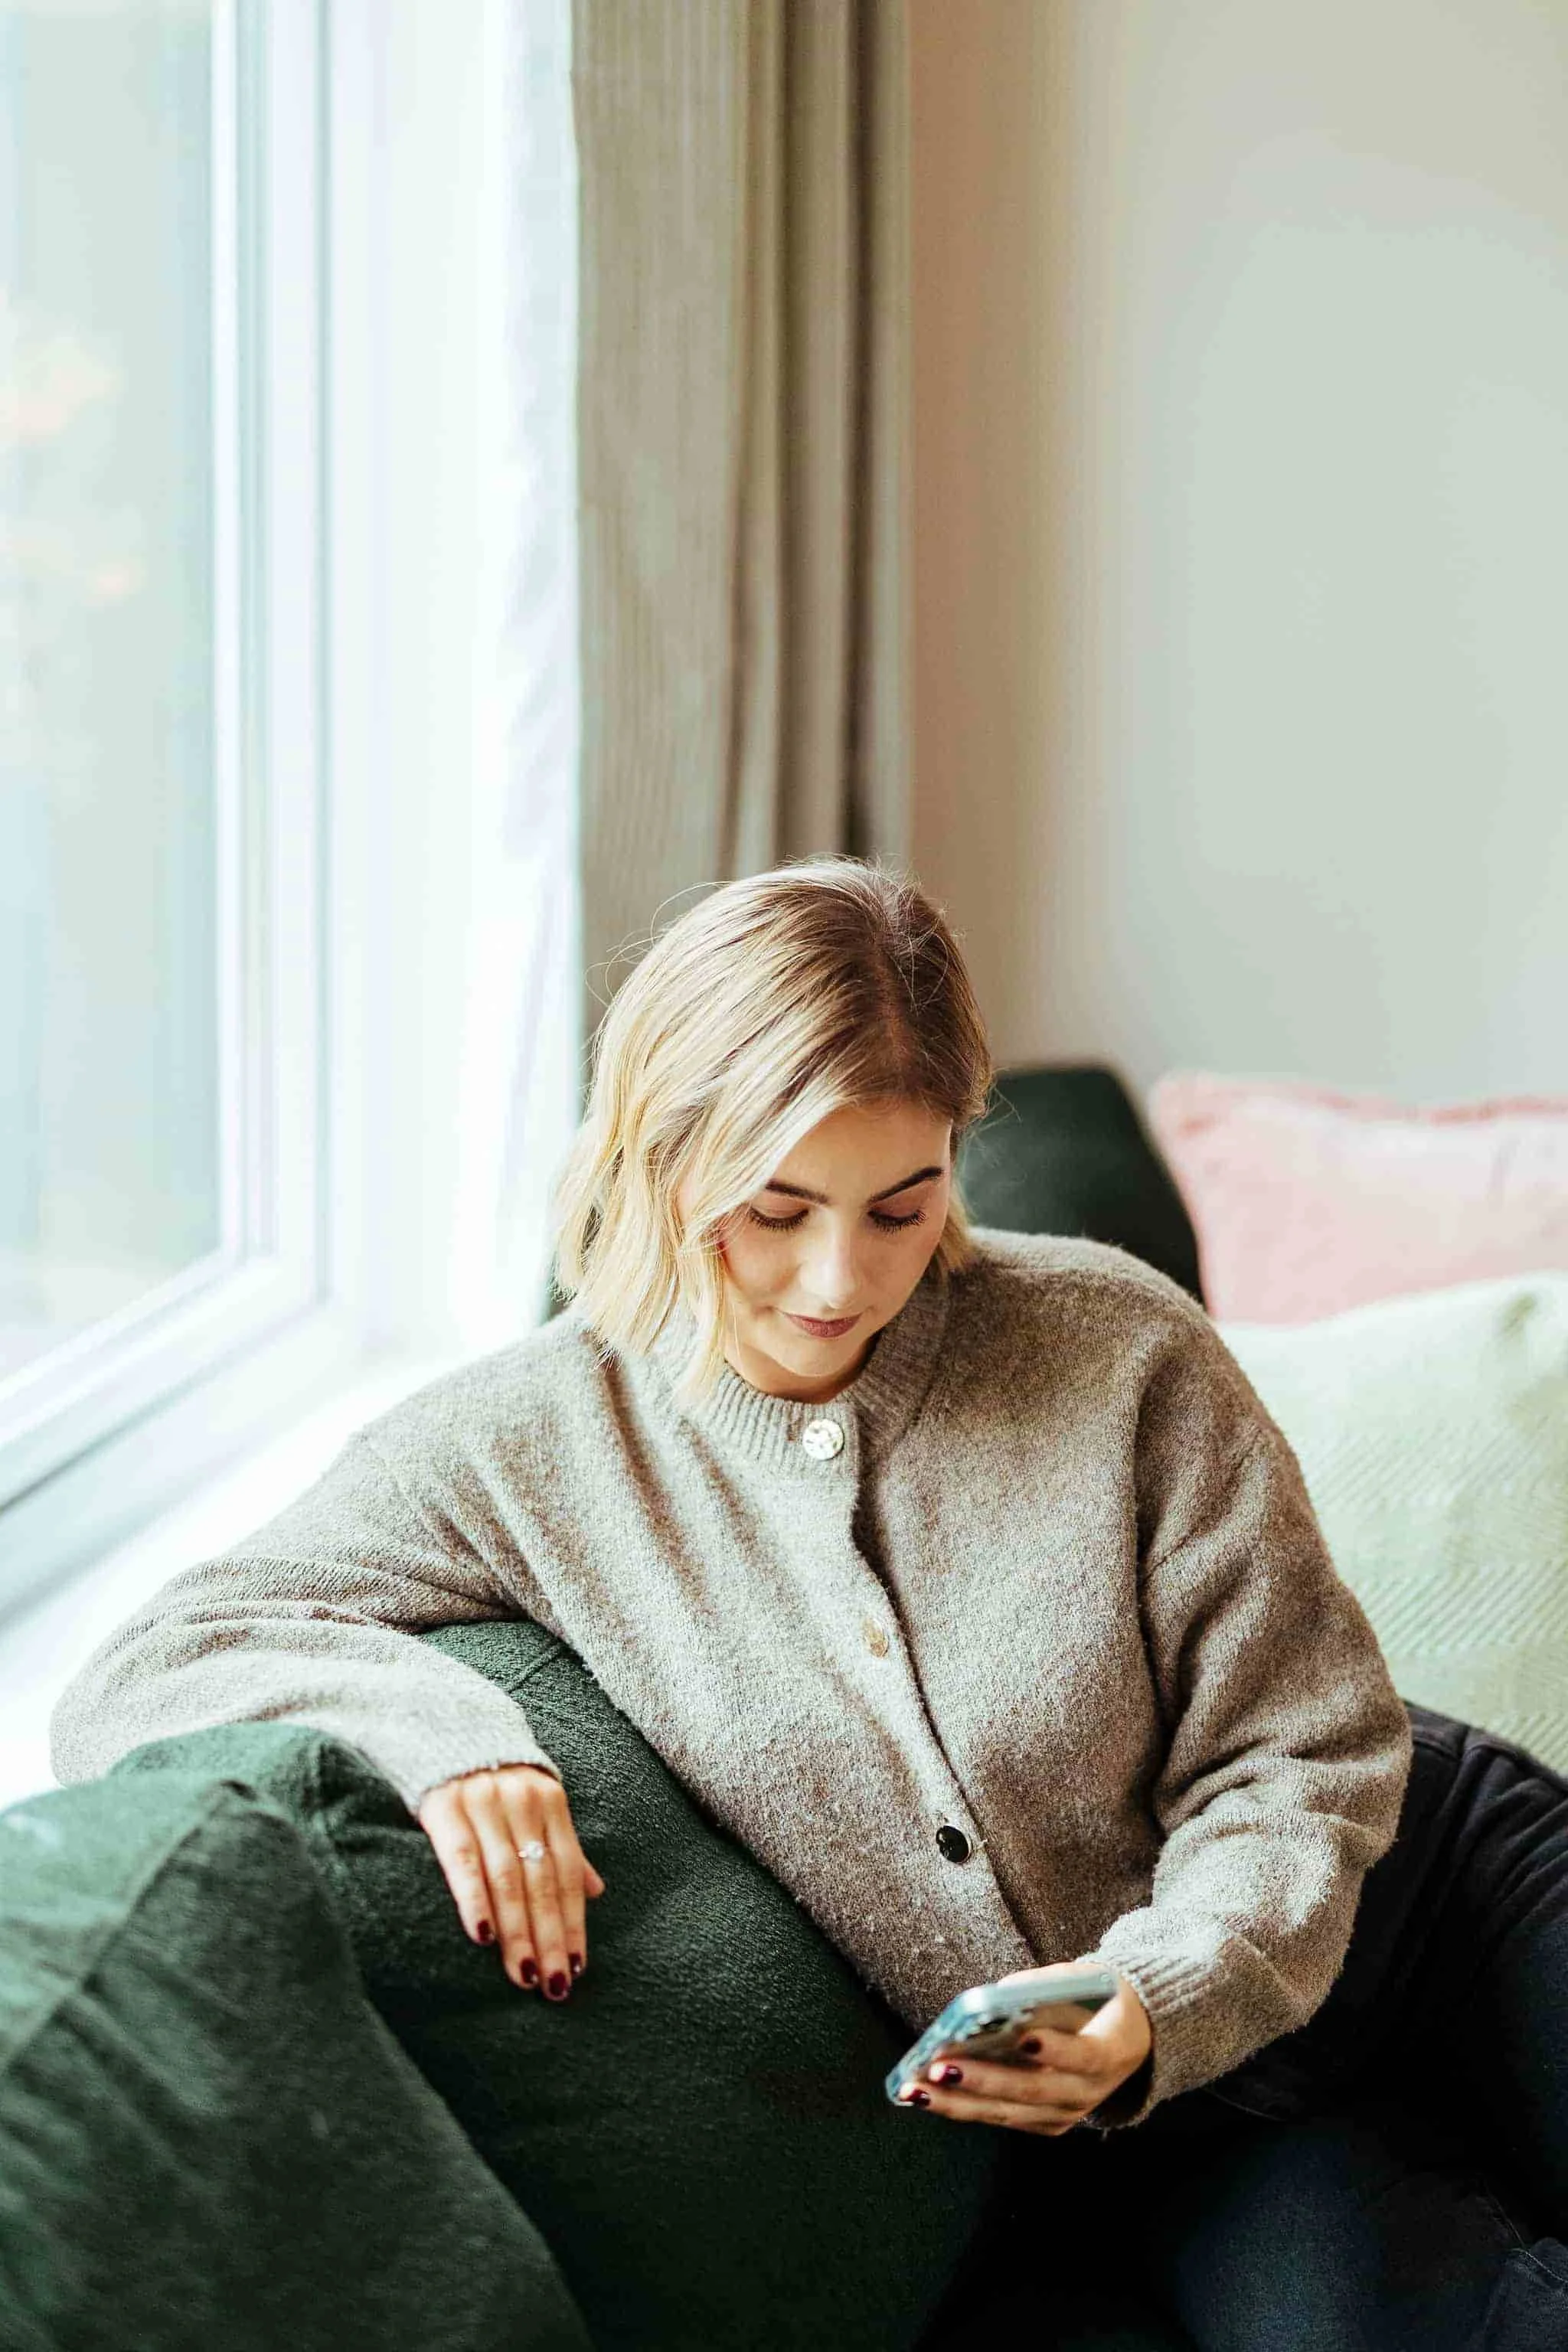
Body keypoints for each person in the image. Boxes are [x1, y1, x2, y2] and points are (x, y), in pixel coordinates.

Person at [50, 856, 1568, 2346]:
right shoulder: (524, 1445)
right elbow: (142, 1669)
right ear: (656, 1160)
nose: (839, 1278)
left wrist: (1162, 1990)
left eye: (899, 1208)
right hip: (1170, 2130)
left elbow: (1298, 1749)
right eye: (773, 1212)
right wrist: (448, 1739)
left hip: (1430, 1900)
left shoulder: (1118, 1348)